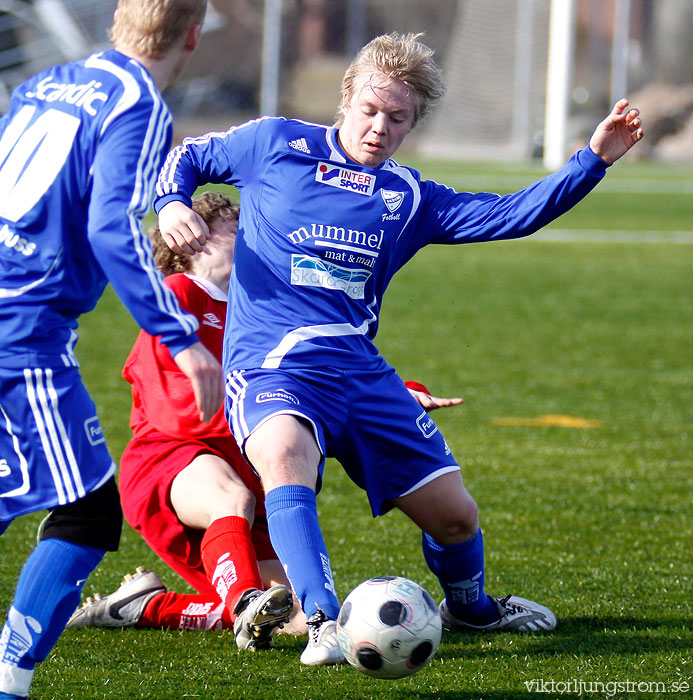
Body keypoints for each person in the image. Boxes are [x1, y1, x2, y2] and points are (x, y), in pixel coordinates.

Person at [153, 32, 645, 666]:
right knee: (281, 454)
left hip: (359, 375)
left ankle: (471, 608)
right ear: (347, 100)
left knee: (456, 520)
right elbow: (186, 157)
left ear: (412, 124)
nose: (379, 127)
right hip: (272, 366)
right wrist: (170, 204)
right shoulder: (275, 145)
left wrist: (593, 159)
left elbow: (511, 214)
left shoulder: (410, 198)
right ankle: (324, 621)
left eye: (397, 118)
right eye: (370, 110)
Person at [65, 192, 462, 646]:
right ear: (193, 240)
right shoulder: (179, 293)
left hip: (248, 473)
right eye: (238, 231)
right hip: (172, 458)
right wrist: (257, 420)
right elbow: (167, 396)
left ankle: (147, 606)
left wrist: (396, 396)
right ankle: (240, 601)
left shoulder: (258, 313)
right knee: (230, 498)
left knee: (292, 615)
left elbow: (312, 377)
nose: (252, 240)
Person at [0, 2, 221, 698]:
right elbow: (110, 231)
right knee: (89, 509)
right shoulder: (138, 105)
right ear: (191, 35)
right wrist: (180, 337)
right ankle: (9, 683)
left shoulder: (45, 82)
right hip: (20, 332)